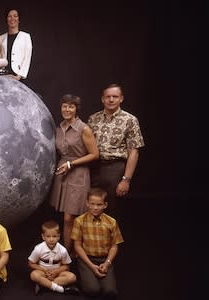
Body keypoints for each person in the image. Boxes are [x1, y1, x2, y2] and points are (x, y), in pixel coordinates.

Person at [49, 94, 99, 255]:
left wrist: (71, 164)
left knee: (69, 218)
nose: (67, 109)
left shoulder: (84, 129)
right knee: (65, 216)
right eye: (64, 106)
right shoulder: (59, 127)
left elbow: (94, 154)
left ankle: (69, 254)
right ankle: (68, 252)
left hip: (78, 173)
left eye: (71, 106)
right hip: (62, 173)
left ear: (76, 109)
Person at [87, 83, 145, 222]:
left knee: (112, 209)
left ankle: (111, 243)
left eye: (115, 96)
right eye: (108, 97)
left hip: (115, 169)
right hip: (93, 168)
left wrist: (126, 180)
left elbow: (134, 152)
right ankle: (93, 241)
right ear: (102, 99)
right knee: (92, 207)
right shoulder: (93, 119)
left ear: (121, 99)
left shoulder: (130, 120)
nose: (111, 100)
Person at [71, 187, 124, 298]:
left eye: (99, 205)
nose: (95, 208)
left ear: (105, 205)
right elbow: (77, 246)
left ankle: (102, 275)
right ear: (87, 204)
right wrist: (91, 266)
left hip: (104, 259)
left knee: (110, 291)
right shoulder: (79, 221)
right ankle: (85, 277)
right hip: (86, 259)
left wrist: (107, 263)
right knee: (93, 290)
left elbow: (114, 246)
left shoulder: (111, 222)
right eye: (92, 204)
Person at [28, 220, 80, 295]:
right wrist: (44, 270)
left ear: (59, 236)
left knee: (72, 277)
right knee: (34, 275)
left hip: (57, 274)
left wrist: (56, 272)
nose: (51, 239)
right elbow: (31, 263)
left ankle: (44, 285)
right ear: (43, 237)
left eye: (54, 236)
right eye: (48, 236)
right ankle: (60, 289)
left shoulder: (62, 250)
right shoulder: (38, 248)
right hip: (43, 273)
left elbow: (66, 265)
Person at [0, 8, 33, 81]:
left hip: (18, 76)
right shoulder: (1, 38)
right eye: (9, 16)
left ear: (19, 19)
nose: (12, 18)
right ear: (6, 19)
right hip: (4, 76)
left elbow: (27, 57)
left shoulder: (25, 37)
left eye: (15, 16)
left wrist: (19, 76)